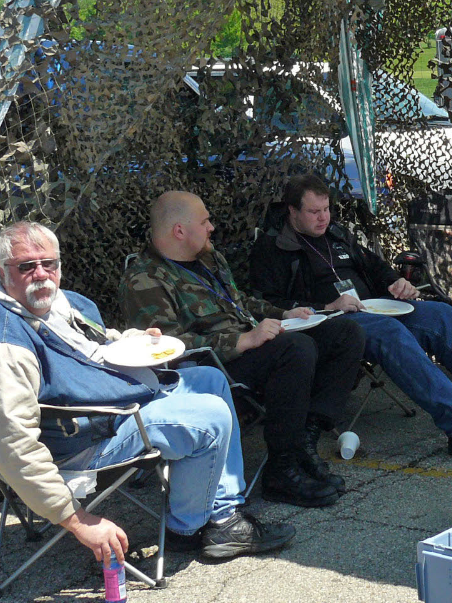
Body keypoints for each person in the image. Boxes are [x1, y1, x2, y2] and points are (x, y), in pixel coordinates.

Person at [0, 221, 294, 565]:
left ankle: (221, 515)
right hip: (80, 442)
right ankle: (189, 529)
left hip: (105, 406)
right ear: (2, 272)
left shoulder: (55, 304)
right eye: (26, 266)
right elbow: (12, 445)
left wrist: (135, 340)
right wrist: (78, 520)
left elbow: (93, 343)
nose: (41, 274)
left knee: (209, 379)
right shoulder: (1, 347)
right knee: (210, 417)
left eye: (49, 263)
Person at [249, 173, 452, 464]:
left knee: (441, 314)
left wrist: (396, 282)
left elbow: (375, 267)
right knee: (389, 331)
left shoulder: (337, 234)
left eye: (326, 209)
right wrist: (326, 305)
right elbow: (267, 303)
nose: (323, 218)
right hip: (328, 323)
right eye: (313, 212)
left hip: (370, 307)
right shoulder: (272, 247)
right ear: (292, 211)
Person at [120, 191, 364, 508]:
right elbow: (164, 347)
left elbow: (240, 304)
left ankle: (305, 439)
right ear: (179, 230)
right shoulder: (145, 279)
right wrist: (241, 341)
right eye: (204, 221)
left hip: (249, 345)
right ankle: (281, 470)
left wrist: (283, 313)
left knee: (345, 333)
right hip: (212, 366)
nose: (211, 228)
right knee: (296, 349)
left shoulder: (209, 259)